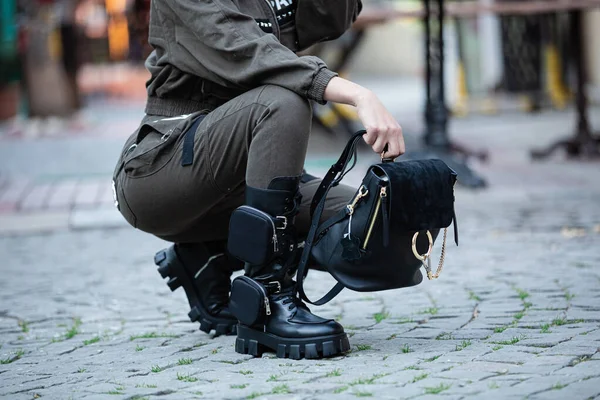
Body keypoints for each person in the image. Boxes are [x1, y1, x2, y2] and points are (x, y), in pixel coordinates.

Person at [112, 0, 405, 360]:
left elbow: (330, 18)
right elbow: (252, 51)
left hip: (241, 180)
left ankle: (208, 256)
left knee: (374, 224)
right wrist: (358, 95)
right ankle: (267, 300)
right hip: (164, 168)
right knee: (282, 101)